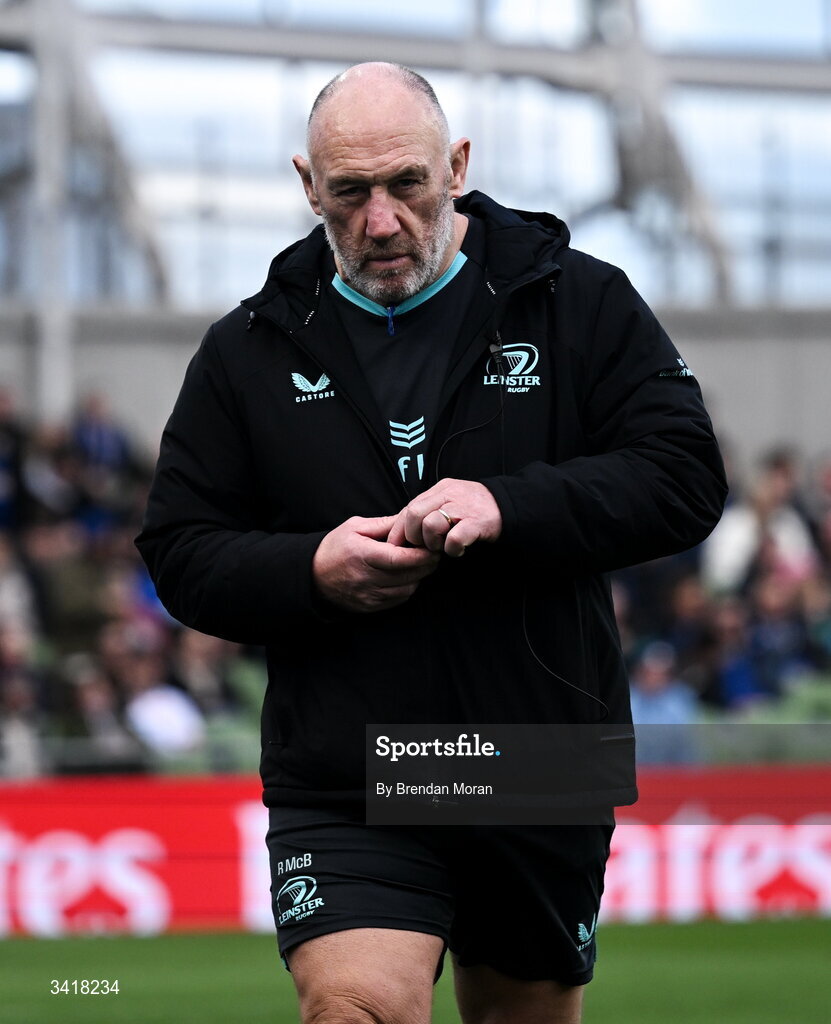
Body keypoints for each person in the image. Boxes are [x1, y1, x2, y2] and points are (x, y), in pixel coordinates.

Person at [137, 63, 726, 1024]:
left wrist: (511, 505)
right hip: (349, 764)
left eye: (406, 184)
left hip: (535, 755)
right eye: (349, 192)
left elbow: (685, 477)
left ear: (455, 166)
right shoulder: (246, 348)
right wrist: (311, 570)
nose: (380, 221)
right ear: (306, 185)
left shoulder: (579, 302)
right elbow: (180, 548)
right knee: (353, 1009)